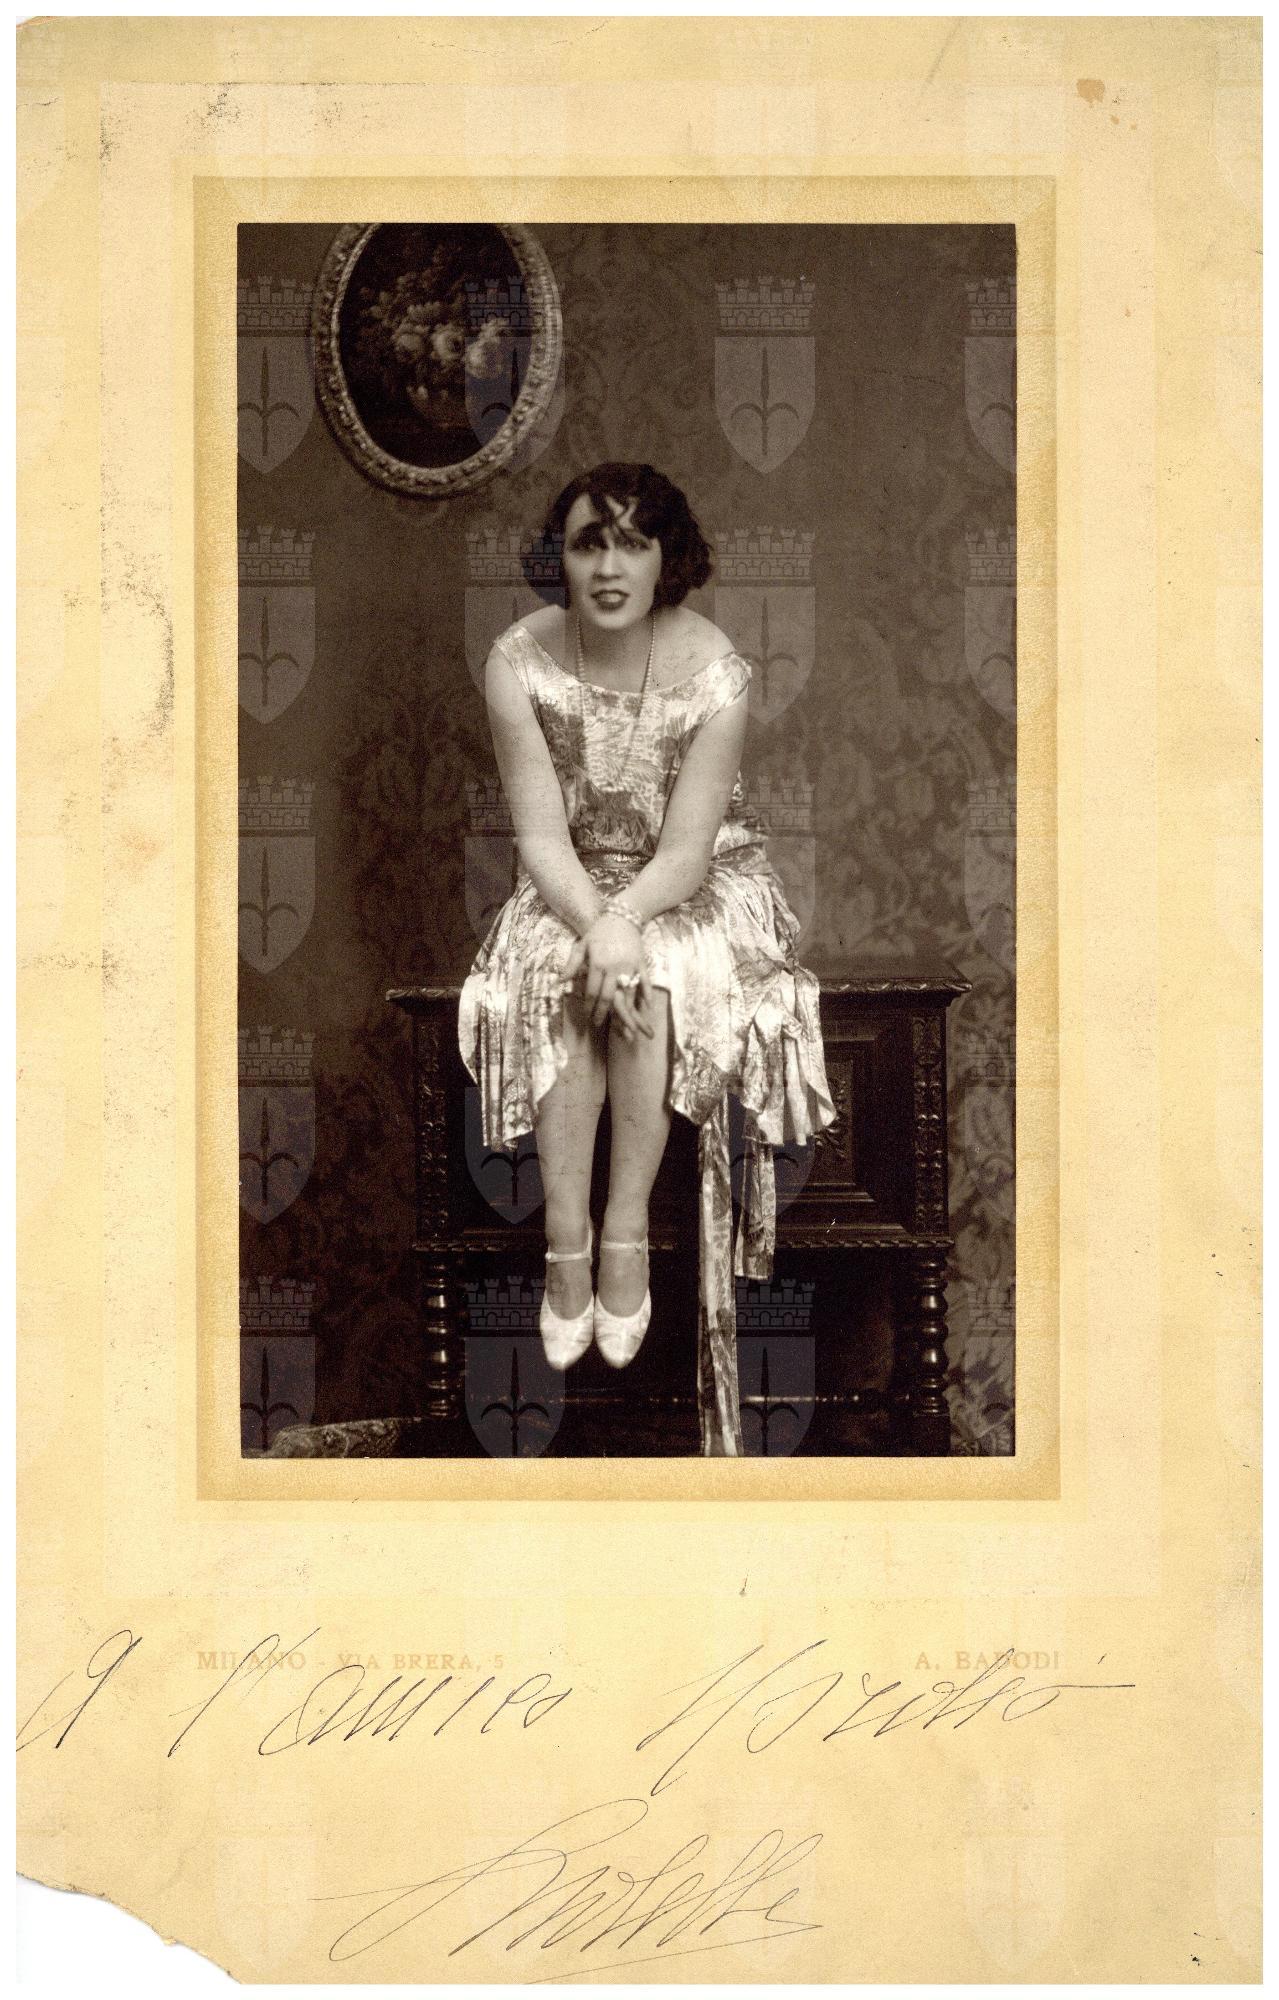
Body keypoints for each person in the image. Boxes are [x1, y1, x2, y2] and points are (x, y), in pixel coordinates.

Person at [458, 461, 836, 1454]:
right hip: (568, 879)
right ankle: (566, 1245)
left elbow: (686, 850)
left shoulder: (715, 671)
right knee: (556, 976)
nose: (609, 566)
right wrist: (599, 923)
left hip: (692, 879)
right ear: (562, 555)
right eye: (590, 542)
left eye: (632, 543)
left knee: (658, 976)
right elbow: (540, 838)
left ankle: (624, 1235)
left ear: (668, 557)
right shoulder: (517, 661)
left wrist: (626, 924)